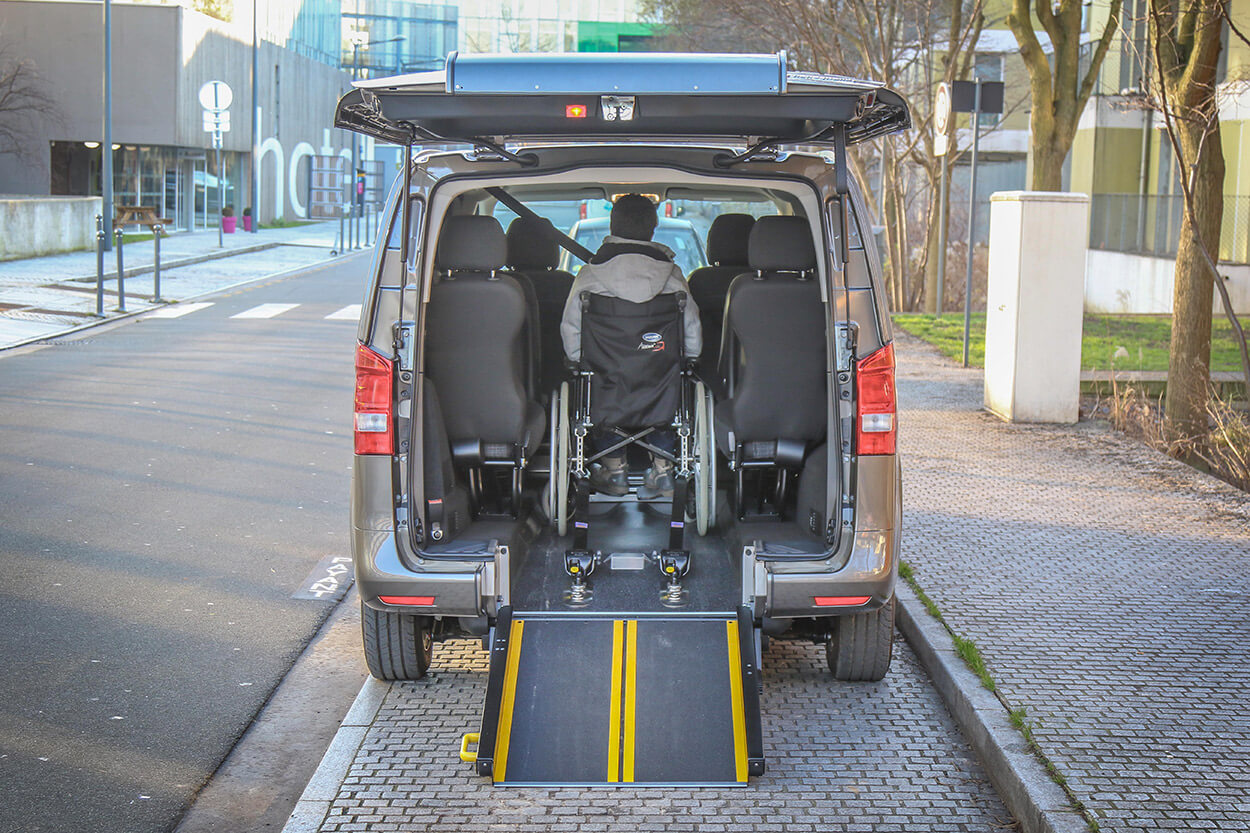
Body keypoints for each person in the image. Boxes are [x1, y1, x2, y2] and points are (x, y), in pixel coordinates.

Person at [560, 194, 701, 499]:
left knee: (595, 388)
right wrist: (690, 359)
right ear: (653, 229)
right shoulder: (673, 276)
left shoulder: (589, 275)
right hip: (659, 376)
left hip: (607, 380)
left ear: (612, 225)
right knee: (669, 390)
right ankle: (664, 471)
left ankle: (614, 470)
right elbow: (691, 329)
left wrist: (577, 362)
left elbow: (572, 330)